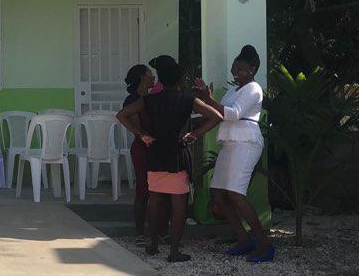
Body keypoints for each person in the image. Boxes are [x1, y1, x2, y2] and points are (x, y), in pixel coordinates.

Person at [116, 55, 222, 262]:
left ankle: (152, 243)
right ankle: (174, 250)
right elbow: (216, 117)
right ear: (180, 80)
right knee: (179, 200)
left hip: (154, 152)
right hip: (177, 153)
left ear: (161, 80)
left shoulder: (148, 100)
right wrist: (196, 134)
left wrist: (140, 134)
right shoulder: (188, 100)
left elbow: (121, 115)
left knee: (154, 197)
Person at [194, 44, 274, 262]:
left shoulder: (254, 89)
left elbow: (234, 114)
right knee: (219, 194)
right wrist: (204, 99)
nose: (234, 73)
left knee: (237, 195)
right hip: (230, 144)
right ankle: (244, 240)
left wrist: (209, 100)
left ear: (252, 70)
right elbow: (220, 114)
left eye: (239, 69)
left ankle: (264, 245)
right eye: (233, 69)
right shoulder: (233, 90)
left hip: (246, 144)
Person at [123, 63, 155, 243]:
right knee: (143, 189)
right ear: (142, 78)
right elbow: (138, 127)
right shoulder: (132, 100)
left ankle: (156, 229)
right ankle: (140, 232)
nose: (153, 77)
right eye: (150, 74)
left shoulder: (153, 97)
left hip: (156, 147)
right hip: (142, 148)